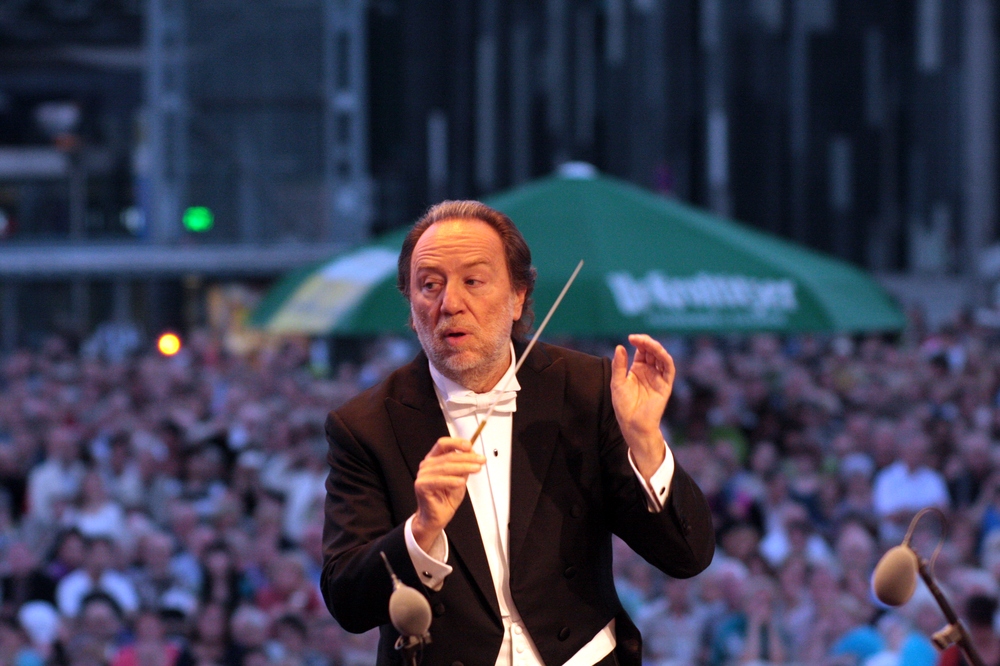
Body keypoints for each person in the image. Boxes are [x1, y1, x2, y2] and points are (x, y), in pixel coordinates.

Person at [320, 201, 715, 666]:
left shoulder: (588, 388)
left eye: (473, 281)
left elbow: (687, 557)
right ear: (410, 305)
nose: (449, 304)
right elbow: (347, 601)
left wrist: (646, 442)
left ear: (518, 297)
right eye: (429, 285)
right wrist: (421, 530)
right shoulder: (364, 425)